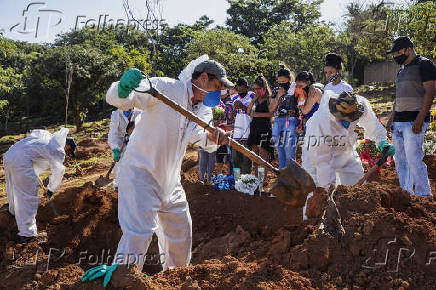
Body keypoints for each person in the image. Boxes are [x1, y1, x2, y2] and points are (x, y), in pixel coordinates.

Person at [86, 57, 233, 282]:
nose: (219, 93)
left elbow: (198, 137)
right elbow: (124, 100)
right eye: (216, 87)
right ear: (203, 78)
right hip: (140, 174)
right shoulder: (166, 88)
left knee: (181, 232)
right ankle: (122, 281)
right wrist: (123, 87)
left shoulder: (203, 109)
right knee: (139, 234)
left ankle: (176, 280)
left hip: (170, 180)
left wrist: (214, 137)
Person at [301, 91, 395, 219]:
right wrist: (327, 196)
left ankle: (356, 220)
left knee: (356, 183)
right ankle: (313, 224)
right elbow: (323, 165)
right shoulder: (322, 122)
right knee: (315, 189)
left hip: (345, 146)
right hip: (316, 150)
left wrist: (382, 142)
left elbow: (373, 126)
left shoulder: (361, 106)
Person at [3, 128, 76, 243]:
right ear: (67, 146)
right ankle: (28, 234)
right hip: (21, 160)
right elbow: (58, 171)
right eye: (69, 151)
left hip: (9, 155)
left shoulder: (48, 139)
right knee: (28, 196)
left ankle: (13, 213)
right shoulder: (58, 149)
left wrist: (32, 174)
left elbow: (33, 155)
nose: (67, 154)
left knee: (13, 188)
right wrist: (51, 190)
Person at [386, 36, 435, 197]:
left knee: (414, 160)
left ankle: (424, 195)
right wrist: (392, 117)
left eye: (397, 52)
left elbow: (430, 91)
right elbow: (399, 96)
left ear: (408, 49)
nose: (395, 56)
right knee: (400, 161)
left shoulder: (424, 64)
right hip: (399, 121)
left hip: (414, 121)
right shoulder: (401, 69)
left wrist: (421, 118)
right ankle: (406, 194)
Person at [270, 65, 299, 169]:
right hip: (278, 120)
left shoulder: (295, 88)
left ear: (289, 78)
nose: (282, 83)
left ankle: (292, 176)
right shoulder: (276, 90)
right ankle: (282, 175)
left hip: (291, 120)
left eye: (284, 81)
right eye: (280, 81)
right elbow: (271, 109)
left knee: (289, 149)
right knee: (279, 149)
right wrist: (278, 96)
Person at [247, 74, 274, 176]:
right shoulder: (255, 99)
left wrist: (257, 114)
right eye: (255, 89)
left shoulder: (269, 98)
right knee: (255, 159)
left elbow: (271, 114)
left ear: (264, 87)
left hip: (265, 129)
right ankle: (255, 182)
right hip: (254, 130)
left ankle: (261, 183)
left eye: (258, 88)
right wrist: (253, 100)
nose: (256, 91)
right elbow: (249, 112)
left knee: (263, 159)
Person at [108, 108, 140, 190]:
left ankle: (134, 182)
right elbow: (113, 133)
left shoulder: (138, 113)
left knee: (135, 160)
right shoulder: (116, 114)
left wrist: (132, 135)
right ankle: (118, 184)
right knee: (119, 161)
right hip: (120, 140)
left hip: (135, 138)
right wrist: (115, 149)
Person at [231, 78, 254, 174]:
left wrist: (243, 107)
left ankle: (245, 181)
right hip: (237, 133)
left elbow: (254, 113)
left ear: (247, 88)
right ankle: (237, 181)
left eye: (242, 90)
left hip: (248, 131)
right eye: (238, 90)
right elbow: (233, 115)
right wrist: (234, 110)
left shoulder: (252, 96)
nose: (240, 92)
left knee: (246, 158)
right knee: (235, 159)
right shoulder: (234, 98)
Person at [294, 71, 323, 135]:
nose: (298, 88)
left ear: (308, 82)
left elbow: (305, 111)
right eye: (297, 86)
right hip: (308, 125)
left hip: (317, 127)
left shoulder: (315, 91)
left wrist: (300, 98)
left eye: (301, 85)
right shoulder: (305, 93)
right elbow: (304, 114)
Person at [214, 89, 234, 176]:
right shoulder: (216, 102)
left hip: (229, 133)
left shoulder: (231, 102)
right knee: (219, 156)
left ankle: (230, 176)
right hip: (219, 133)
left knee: (229, 157)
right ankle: (219, 177)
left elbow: (233, 121)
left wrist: (226, 124)